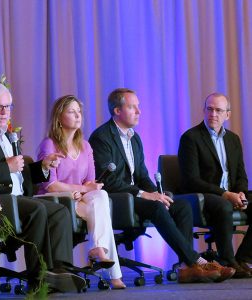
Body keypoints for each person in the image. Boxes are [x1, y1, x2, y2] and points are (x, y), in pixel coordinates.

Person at [89, 88, 235, 283]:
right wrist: (144, 194)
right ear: (117, 111)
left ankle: (186, 268)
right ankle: (197, 261)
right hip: (117, 198)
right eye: (133, 107)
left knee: (180, 205)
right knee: (156, 206)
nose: (139, 111)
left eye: (138, 107)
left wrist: (156, 192)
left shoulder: (134, 138)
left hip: (136, 197)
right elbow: (108, 181)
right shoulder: (102, 137)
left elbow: (141, 175)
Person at [0, 83, 86, 293]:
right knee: (37, 209)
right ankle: (38, 277)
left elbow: (20, 172)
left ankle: (59, 269)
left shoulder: (6, 134)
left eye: (8, 106)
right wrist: (6, 167)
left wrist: (42, 167)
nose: (5, 112)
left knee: (60, 209)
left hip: (19, 197)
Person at [36, 95, 126, 289]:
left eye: (79, 112)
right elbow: (51, 185)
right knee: (99, 204)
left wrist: (85, 190)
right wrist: (82, 190)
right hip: (55, 201)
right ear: (59, 117)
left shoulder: (85, 146)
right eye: (71, 112)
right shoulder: (49, 145)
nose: (78, 116)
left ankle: (99, 249)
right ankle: (113, 273)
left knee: (101, 195)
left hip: (80, 200)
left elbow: (90, 182)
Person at [178, 92, 252, 278]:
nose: (213, 114)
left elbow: (241, 175)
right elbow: (191, 180)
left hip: (231, 195)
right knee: (223, 205)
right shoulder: (191, 138)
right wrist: (225, 194)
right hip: (201, 196)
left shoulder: (233, 139)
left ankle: (242, 258)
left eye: (219, 110)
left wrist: (241, 193)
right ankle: (227, 261)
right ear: (203, 111)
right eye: (209, 109)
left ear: (227, 114)